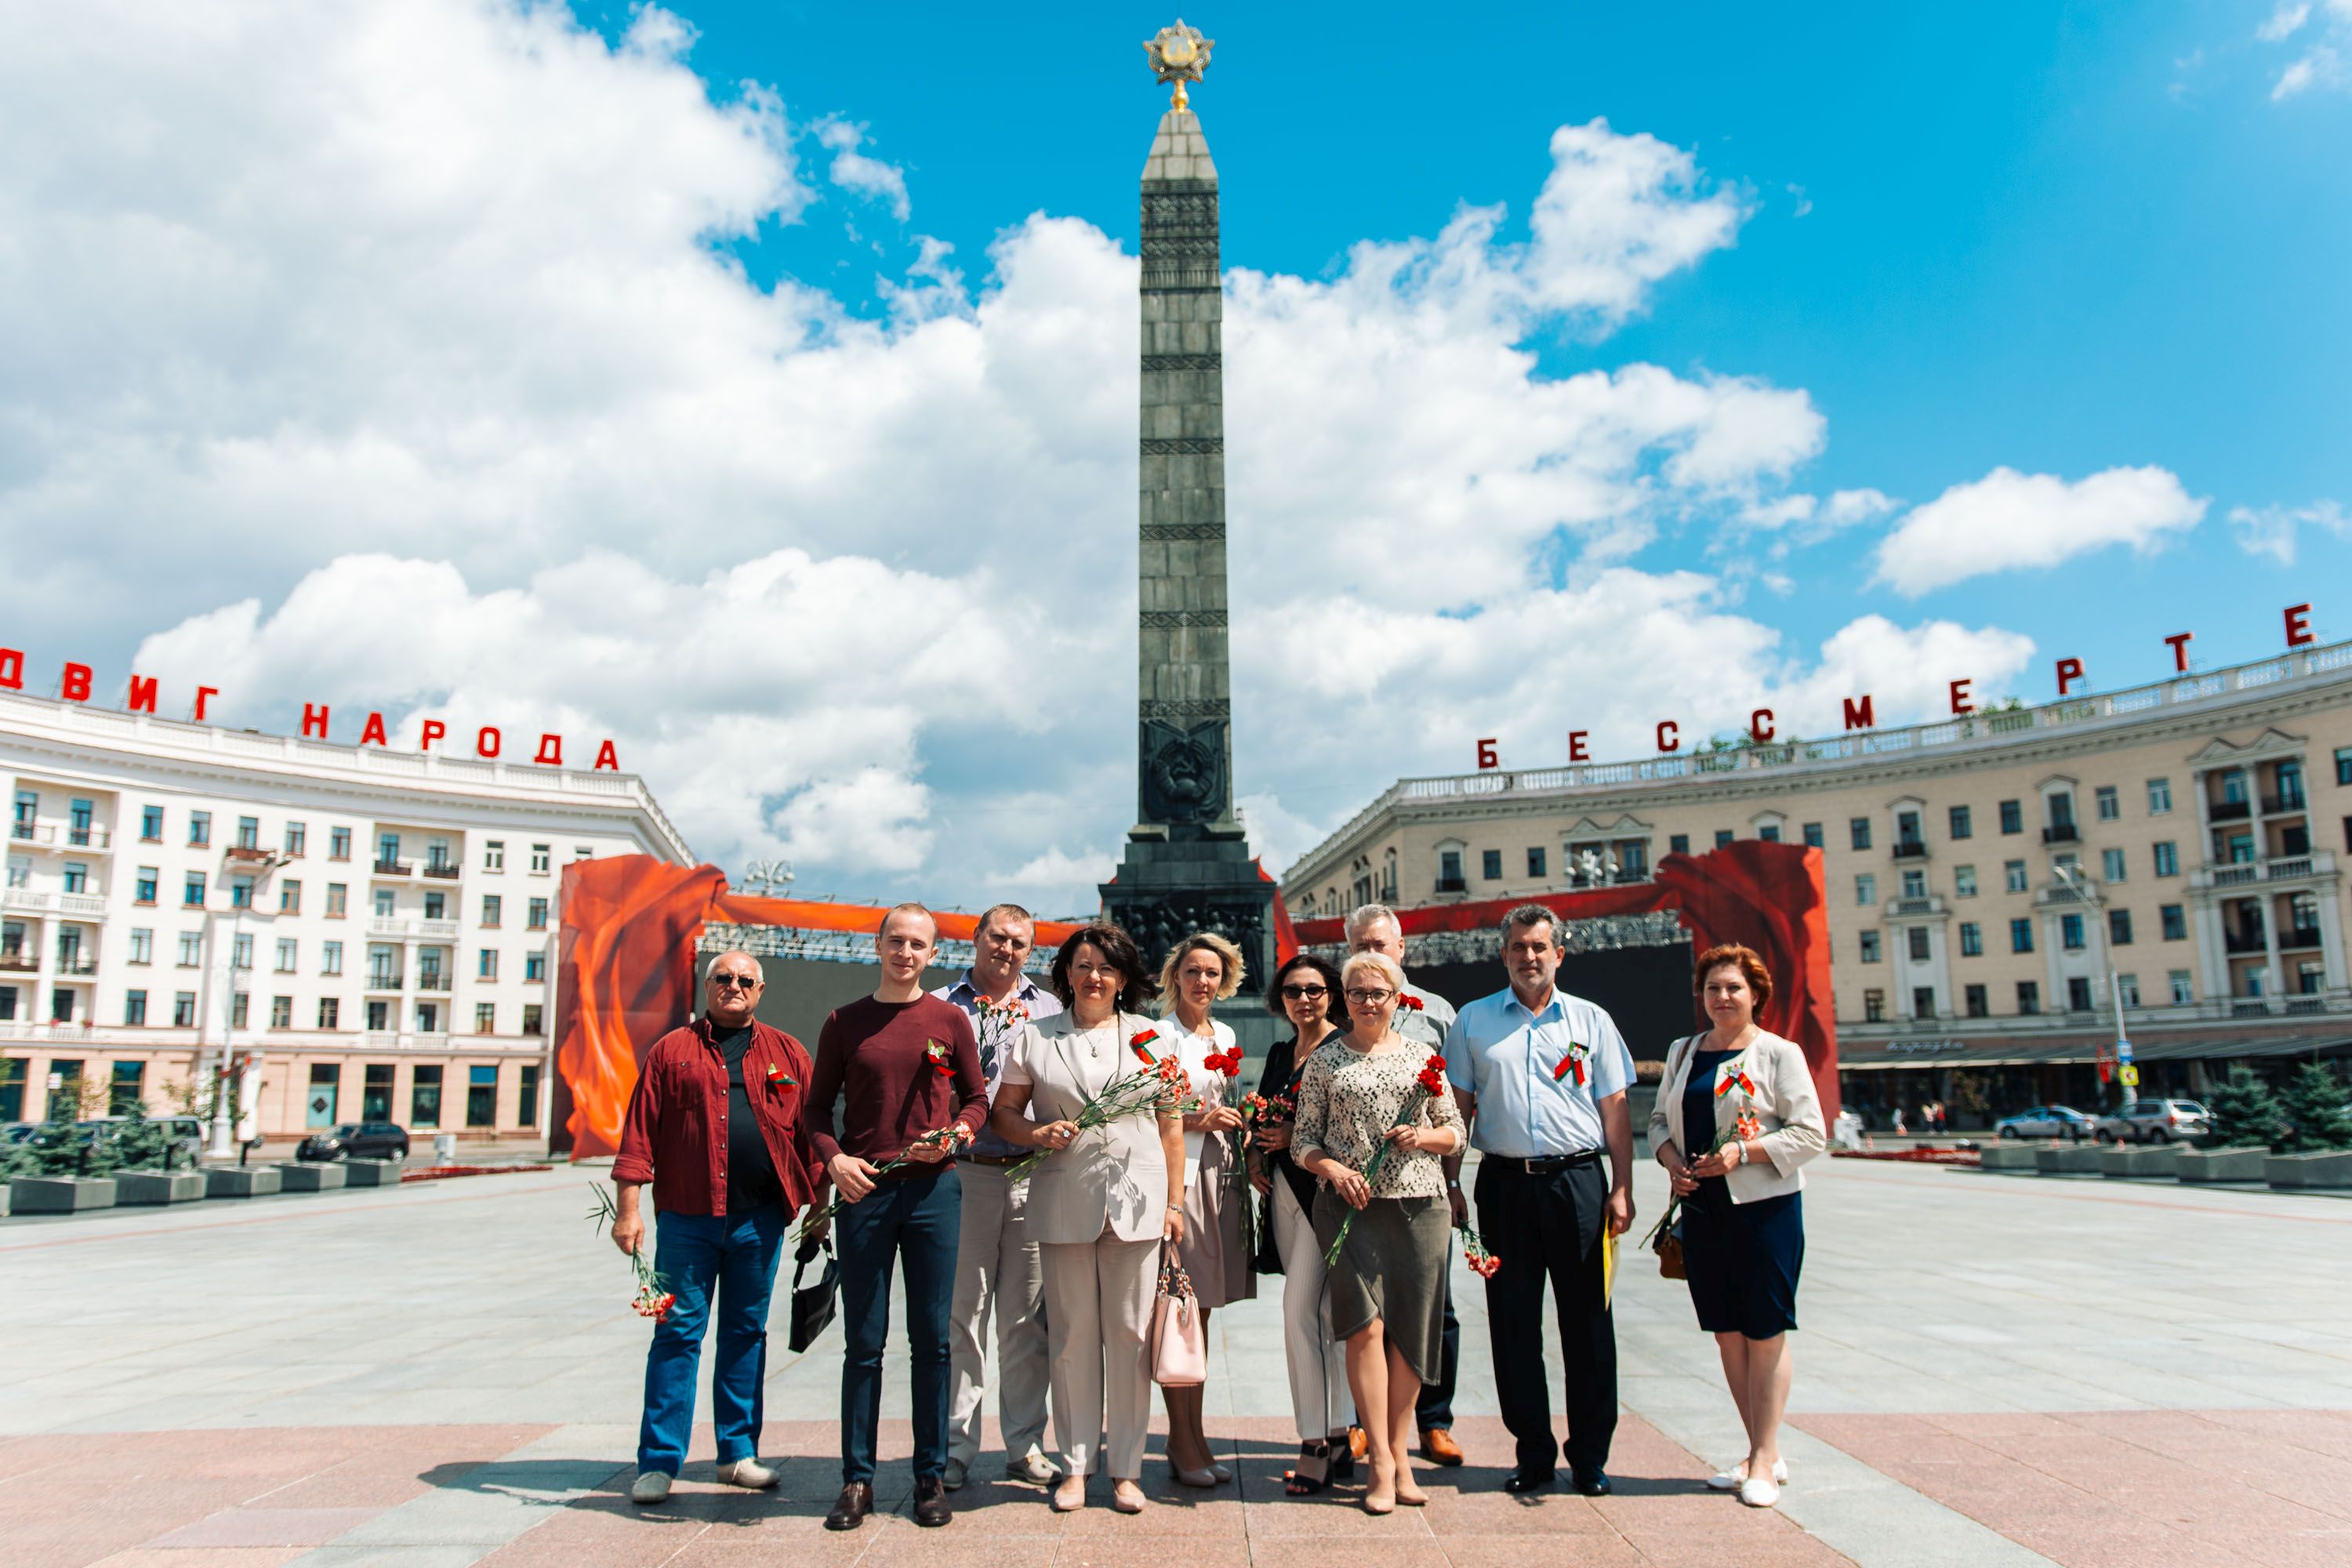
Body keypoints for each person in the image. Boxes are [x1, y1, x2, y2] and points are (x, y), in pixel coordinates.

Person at [610, 951, 822, 1506]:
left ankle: (736, 1454)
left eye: (744, 980)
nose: (734, 986)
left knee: (746, 1335)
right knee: (677, 1334)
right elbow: (638, 1134)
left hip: (760, 1222)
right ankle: (658, 1463)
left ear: (761, 989)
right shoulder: (671, 1051)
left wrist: (820, 1207)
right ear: (708, 985)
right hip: (686, 1220)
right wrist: (628, 1208)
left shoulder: (787, 1052)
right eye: (723, 978)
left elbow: (811, 1134)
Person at [990, 921, 1185, 1516]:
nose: (1093, 977)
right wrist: (1034, 1133)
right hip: (1063, 1199)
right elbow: (1004, 1114)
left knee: (1128, 1337)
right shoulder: (1036, 1036)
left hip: (1138, 1205)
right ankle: (1076, 1465)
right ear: (1065, 975)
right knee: (1072, 1337)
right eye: (1082, 966)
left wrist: (1175, 1203)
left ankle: (1127, 1469)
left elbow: (1171, 1127)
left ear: (1123, 978)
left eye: (1106, 967)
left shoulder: (1154, 1038)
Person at [806, 905, 989, 1532]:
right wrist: (835, 1162)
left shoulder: (949, 1020)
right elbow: (813, 1114)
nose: (905, 952)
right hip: (867, 1194)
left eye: (918, 944)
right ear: (878, 946)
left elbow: (976, 1097)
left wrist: (961, 1133)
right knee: (864, 1343)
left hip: (934, 1193)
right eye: (896, 941)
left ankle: (929, 1476)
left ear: (933, 954)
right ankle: (857, 1479)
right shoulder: (844, 1023)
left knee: (933, 1342)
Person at [1446, 903, 1637, 1497]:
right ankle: (1532, 1453)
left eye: (1540, 947)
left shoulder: (1592, 1022)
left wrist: (1623, 1186)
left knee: (1587, 1324)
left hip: (1578, 1184)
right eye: (1519, 947)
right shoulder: (1474, 1023)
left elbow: (1617, 1114)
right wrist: (1452, 1184)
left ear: (1560, 953)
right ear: (1503, 955)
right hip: (1502, 1186)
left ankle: (1589, 1458)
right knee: (1513, 1325)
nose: (1530, 957)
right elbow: (1458, 1110)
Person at [1294, 950, 1468, 1515]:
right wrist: (1334, 1170)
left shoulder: (1424, 1058)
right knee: (1364, 1330)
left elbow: (1456, 1133)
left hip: (1419, 1208)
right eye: (1358, 993)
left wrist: (1424, 1139)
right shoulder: (1326, 1060)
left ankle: (1400, 1450)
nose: (1369, 1002)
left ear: (1398, 998)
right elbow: (1303, 1142)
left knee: (1412, 1335)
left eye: (1380, 993)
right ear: (1343, 999)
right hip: (1349, 1209)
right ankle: (1379, 1464)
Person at [1652, 944, 1825, 1509]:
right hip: (1704, 1210)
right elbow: (1658, 1121)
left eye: (1733, 988)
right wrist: (1672, 1160)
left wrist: (1744, 1153)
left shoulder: (1778, 1054)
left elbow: (1810, 1134)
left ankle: (1766, 1459)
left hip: (1764, 1211)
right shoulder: (1684, 1052)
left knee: (1764, 1330)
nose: (1722, 998)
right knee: (1727, 1332)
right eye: (1712, 989)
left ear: (1756, 996)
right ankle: (1759, 1451)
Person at [934, 902, 1064, 1490]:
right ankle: (956, 1446)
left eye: (1018, 942)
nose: (1005, 950)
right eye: (996, 938)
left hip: (1033, 1174)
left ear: (1030, 951)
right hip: (967, 1174)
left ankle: (1025, 1443)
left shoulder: (1051, 1011)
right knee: (964, 1316)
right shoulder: (940, 1006)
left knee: (1026, 1318)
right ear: (976, 938)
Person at [1345, 902, 1463, 1469]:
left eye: (1380, 944)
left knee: (1433, 1307)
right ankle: (1365, 1423)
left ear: (1402, 948)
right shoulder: (1344, 1004)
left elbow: (1459, 1103)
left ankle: (1434, 1423)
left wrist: (1456, 1177)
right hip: (1361, 1191)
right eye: (1361, 945)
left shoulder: (1439, 1013)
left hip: (1423, 1185)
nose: (1371, 953)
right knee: (1363, 1314)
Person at [1250, 952, 1356, 1496]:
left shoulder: (1345, 1049)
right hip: (1283, 1196)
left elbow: (1355, 1129)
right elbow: (1263, 1111)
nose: (1304, 1000)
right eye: (1293, 991)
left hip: (1326, 1198)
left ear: (1332, 993)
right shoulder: (1278, 1052)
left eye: (1314, 989)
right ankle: (1339, 1434)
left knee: (1300, 1313)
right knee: (1322, 1315)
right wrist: (1254, 1152)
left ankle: (1313, 1441)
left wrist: (1298, 1138)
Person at [1155, 931, 1255, 1486]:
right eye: (1192, 971)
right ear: (1176, 976)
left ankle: (1192, 1433)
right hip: (1182, 1178)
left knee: (1205, 1311)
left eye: (1212, 973)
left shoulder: (1227, 1032)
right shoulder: (1158, 1036)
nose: (1202, 981)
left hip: (1223, 1177)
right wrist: (1200, 1120)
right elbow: (1145, 1113)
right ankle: (1180, 1439)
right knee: (1180, 1313)